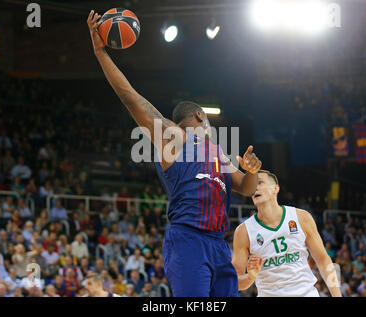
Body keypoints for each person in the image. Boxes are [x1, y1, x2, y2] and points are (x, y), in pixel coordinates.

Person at [87, 11, 262, 297]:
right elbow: (130, 96)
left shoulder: (218, 152)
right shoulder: (175, 138)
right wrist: (101, 54)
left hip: (219, 243)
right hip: (188, 240)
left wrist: (252, 172)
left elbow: (245, 188)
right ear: (199, 115)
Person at [231, 170, 342, 297]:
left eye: (260, 182)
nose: (255, 187)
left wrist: (337, 295)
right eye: (252, 185)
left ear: (275, 188)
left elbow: (324, 261)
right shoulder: (243, 231)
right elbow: (235, 281)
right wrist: (251, 276)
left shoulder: (301, 217)